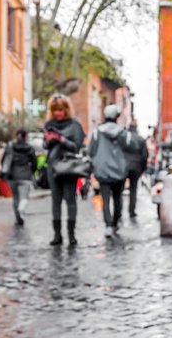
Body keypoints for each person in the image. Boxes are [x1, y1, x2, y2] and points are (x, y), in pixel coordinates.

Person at [42, 95, 86, 246]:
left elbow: (76, 146)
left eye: (60, 109)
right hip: (53, 166)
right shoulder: (48, 125)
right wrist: (48, 140)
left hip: (68, 166)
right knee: (55, 201)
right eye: (54, 110)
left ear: (66, 109)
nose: (57, 113)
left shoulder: (74, 125)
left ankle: (71, 235)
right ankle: (57, 235)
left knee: (70, 200)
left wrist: (61, 139)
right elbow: (45, 147)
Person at [88, 104, 131, 236]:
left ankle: (108, 225)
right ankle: (115, 222)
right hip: (119, 170)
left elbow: (91, 151)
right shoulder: (123, 133)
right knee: (118, 198)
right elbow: (128, 149)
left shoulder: (97, 133)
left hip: (103, 170)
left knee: (105, 198)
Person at [0, 129, 38, 226]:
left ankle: (18, 219)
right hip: (25, 176)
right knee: (24, 197)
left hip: (12, 176)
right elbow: (34, 163)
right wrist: (31, 172)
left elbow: (3, 160)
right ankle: (22, 209)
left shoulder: (10, 147)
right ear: (25, 136)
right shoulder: (30, 148)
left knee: (15, 197)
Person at [124, 121, 149, 219]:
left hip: (124, 166)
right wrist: (142, 169)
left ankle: (119, 212)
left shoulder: (124, 138)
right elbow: (145, 156)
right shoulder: (141, 139)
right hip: (136, 167)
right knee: (133, 190)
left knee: (120, 189)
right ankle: (131, 211)